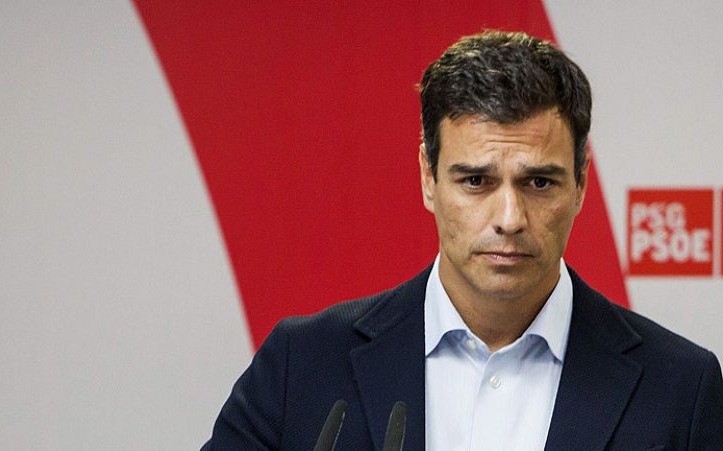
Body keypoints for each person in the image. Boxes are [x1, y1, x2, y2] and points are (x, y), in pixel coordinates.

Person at [202, 31, 723, 450]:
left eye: (539, 182)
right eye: (476, 181)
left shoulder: (680, 386)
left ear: (581, 182)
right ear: (428, 177)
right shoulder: (304, 364)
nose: (509, 218)